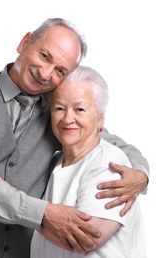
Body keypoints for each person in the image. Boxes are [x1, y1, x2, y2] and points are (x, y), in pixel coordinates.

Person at [0, 18, 148, 258]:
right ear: (25, 42)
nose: (45, 73)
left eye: (60, 71)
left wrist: (141, 175)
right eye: (45, 56)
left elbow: (107, 141)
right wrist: (43, 213)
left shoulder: (58, 112)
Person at [30, 65, 146, 258]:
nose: (68, 119)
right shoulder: (55, 162)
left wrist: (22, 209)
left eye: (80, 109)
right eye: (59, 108)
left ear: (100, 120)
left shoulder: (109, 163)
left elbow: (86, 239)